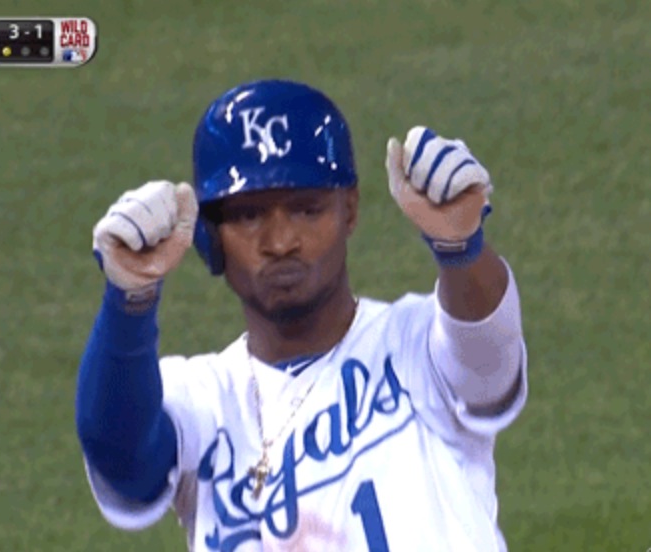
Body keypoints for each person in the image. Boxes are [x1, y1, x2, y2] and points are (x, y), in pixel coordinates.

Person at [75, 79, 527, 551]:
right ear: (208, 236)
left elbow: (488, 355)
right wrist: (129, 298)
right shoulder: (200, 399)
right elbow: (121, 460)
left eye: (307, 210)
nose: (280, 241)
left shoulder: (416, 343)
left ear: (349, 210)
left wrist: (461, 247)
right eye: (249, 216)